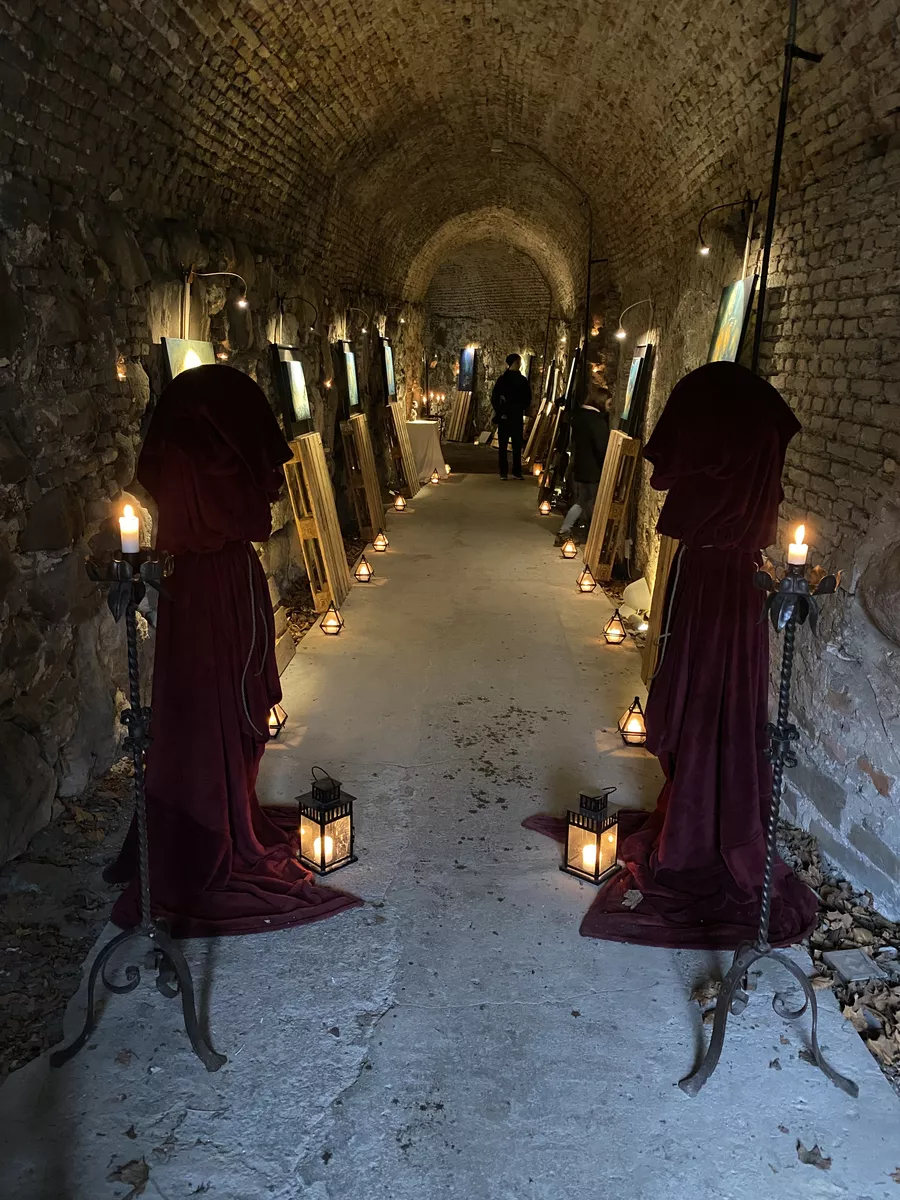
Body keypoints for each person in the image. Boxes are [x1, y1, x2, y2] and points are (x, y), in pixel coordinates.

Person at [553, 385, 611, 544]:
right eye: (608, 403)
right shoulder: (596, 421)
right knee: (594, 502)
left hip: (581, 466)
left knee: (583, 500)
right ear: (601, 402)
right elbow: (601, 447)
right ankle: (595, 537)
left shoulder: (580, 417)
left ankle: (565, 530)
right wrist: (607, 466)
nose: (609, 407)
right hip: (593, 469)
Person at [491, 353, 532, 479]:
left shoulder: (522, 380)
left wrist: (520, 407)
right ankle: (503, 471)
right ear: (514, 363)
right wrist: (501, 411)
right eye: (518, 362)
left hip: (516, 416)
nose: (519, 364)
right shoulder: (503, 380)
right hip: (505, 416)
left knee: (517, 445)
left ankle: (516, 471)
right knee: (503, 446)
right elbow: (495, 398)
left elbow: (527, 397)